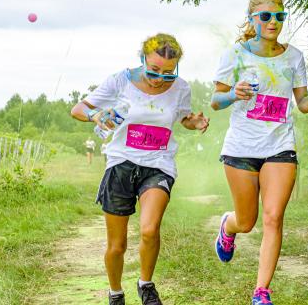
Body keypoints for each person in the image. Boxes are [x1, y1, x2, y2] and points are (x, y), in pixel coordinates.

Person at [70, 33, 209, 305]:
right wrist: (95, 115)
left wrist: (195, 122)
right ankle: (115, 292)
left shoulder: (181, 88)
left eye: (168, 73)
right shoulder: (120, 81)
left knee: (149, 229)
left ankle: (145, 284)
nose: (160, 78)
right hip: (121, 162)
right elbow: (78, 109)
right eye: (154, 70)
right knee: (117, 245)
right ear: (142, 59)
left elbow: (183, 118)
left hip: (158, 164)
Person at [210, 0, 308, 305]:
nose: (273, 21)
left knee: (274, 217)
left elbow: (300, 102)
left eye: (279, 16)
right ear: (252, 19)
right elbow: (216, 101)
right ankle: (229, 226)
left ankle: (261, 291)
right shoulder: (235, 55)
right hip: (241, 149)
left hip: (280, 146)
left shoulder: (293, 57)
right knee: (247, 221)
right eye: (265, 16)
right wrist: (234, 93)